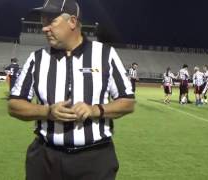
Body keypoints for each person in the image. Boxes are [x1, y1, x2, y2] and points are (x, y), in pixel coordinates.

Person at [8, 1, 135, 180]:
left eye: (51, 21)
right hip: (46, 159)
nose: (44, 28)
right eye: (43, 22)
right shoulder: (37, 59)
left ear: (72, 22)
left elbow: (128, 102)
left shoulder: (105, 55)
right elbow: (14, 104)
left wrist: (95, 110)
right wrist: (47, 112)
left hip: (94, 160)